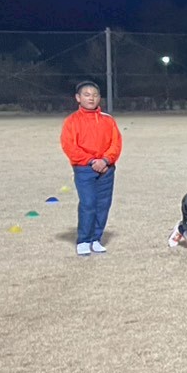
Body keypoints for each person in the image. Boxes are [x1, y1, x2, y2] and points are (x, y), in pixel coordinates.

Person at [59, 80, 122, 256]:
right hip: (84, 169)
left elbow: (116, 143)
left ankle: (96, 239)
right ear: (78, 98)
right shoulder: (71, 121)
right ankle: (84, 240)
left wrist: (106, 160)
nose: (91, 98)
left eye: (94, 95)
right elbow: (69, 146)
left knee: (103, 205)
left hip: (106, 169)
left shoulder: (108, 120)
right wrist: (91, 161)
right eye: (86, 95)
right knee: (88, 203)